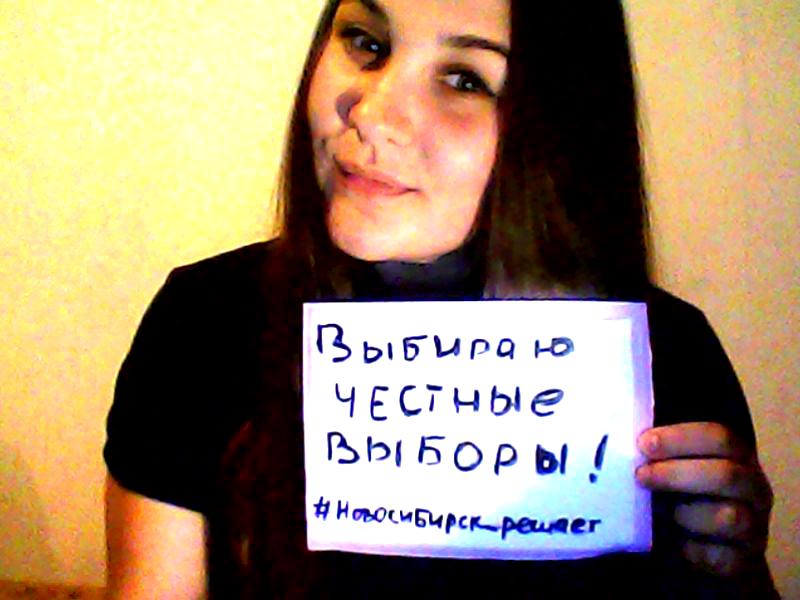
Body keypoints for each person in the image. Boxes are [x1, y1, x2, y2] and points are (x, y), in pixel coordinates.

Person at [103, 0, 777, 597]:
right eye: (365, 42)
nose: (371, 113)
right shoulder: (205, 321)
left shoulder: (662, 357)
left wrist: (731, 571)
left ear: (559, 128)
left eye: (465, 80)